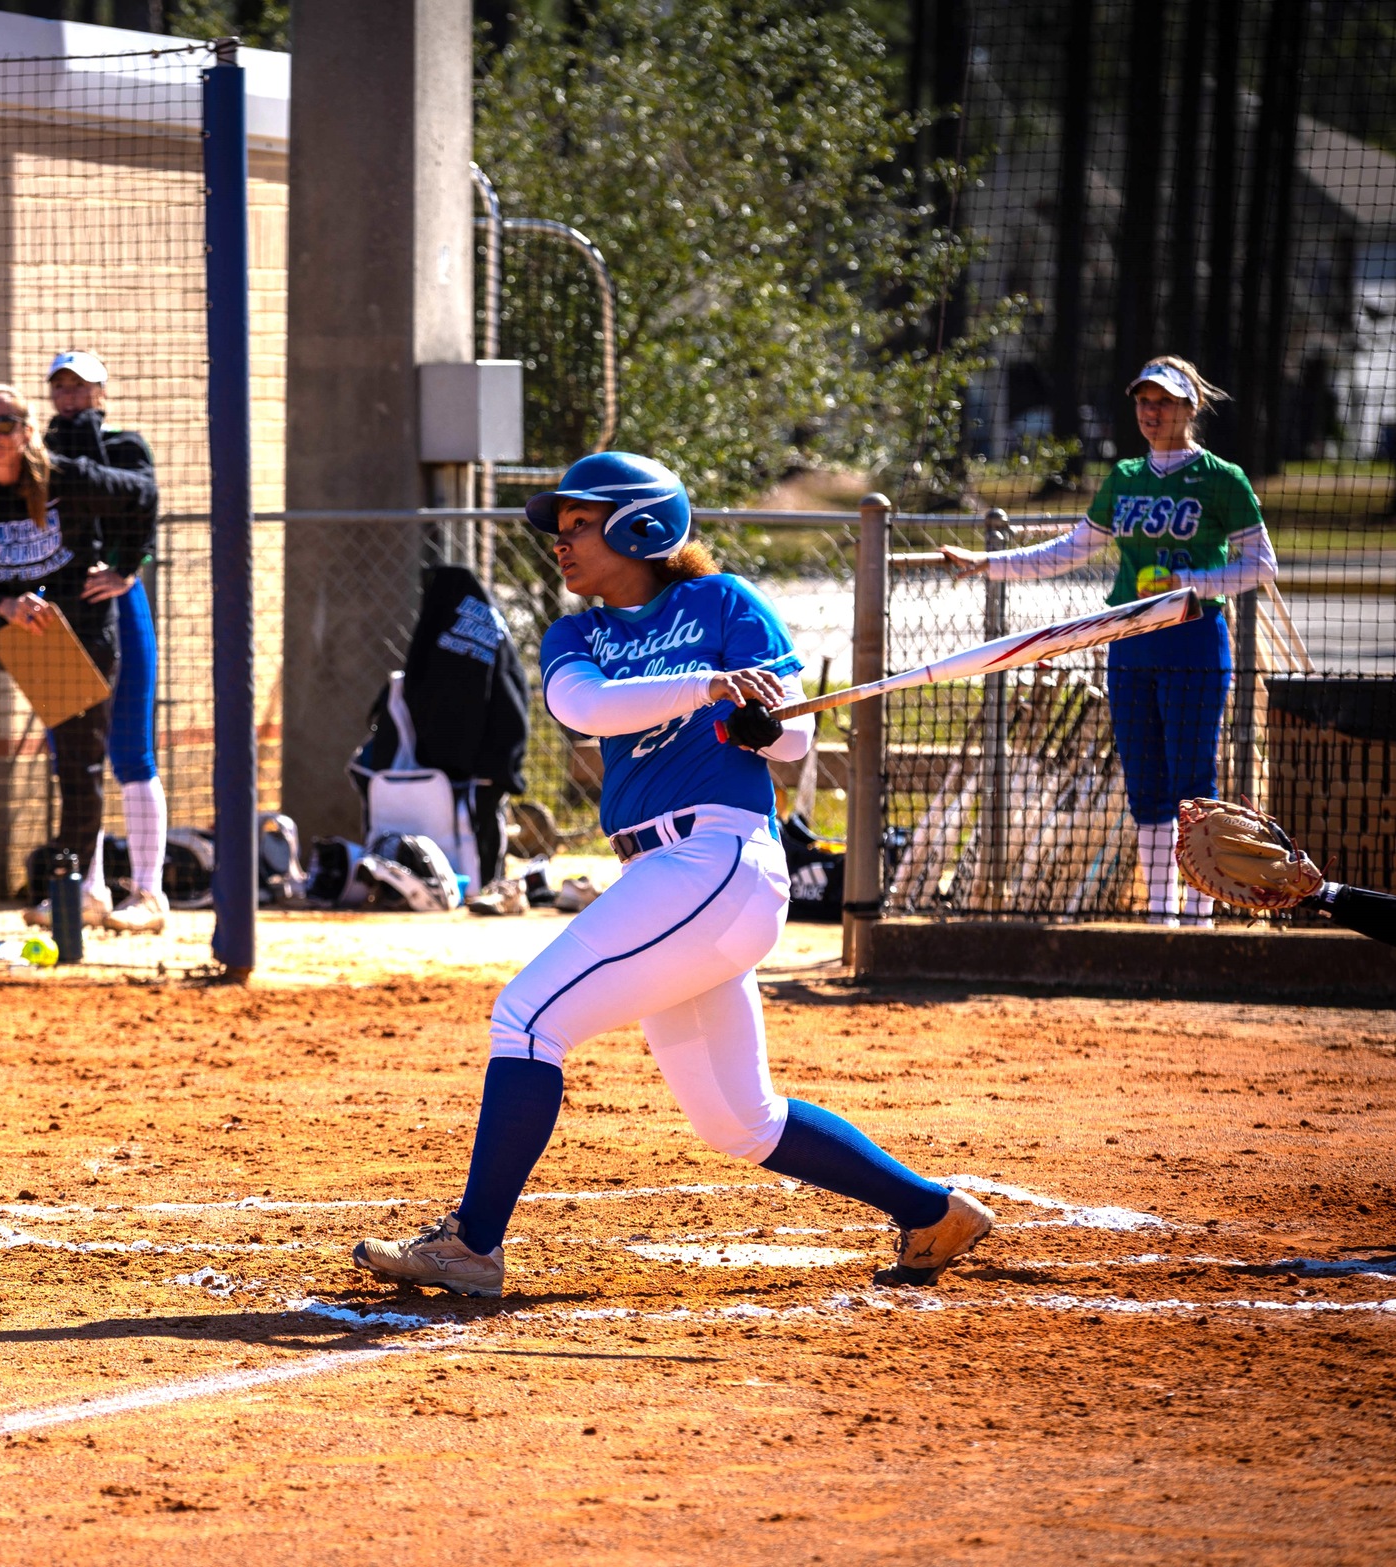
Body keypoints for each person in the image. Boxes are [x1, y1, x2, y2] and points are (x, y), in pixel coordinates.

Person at [354, 452, 994, 1299]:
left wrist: (759, 726)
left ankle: (472, 1243)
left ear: (639, 525)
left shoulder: (720, 602)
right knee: (739, 1119)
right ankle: (932, 1209)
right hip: (667, 880)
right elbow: (583, 709)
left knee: (526, 1016)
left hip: (717, 859)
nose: (561, 542)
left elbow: (796, 740)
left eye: (580, 524)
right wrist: (703, 687)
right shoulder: (576, 634)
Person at [943, 356, 1276, 925]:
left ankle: (1198, 914)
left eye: (1165, 401)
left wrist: (1191, 583)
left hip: (1193, 640)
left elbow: (1261, 565)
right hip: (1130, 642)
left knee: (1193, 782)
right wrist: (985, 563)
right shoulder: (1124, 478)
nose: (1151, 412)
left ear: (1190, 407)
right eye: (1144, 401)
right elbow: (1067, 552)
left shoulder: (1223, 479)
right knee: (1144, 778)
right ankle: (1159, 915)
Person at [0, 382, 156, 927]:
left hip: (68, 634)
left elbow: (142, 494)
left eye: (4, 425)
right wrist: (2, 603)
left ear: (27, 433)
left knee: (79, 767)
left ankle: (73, 891)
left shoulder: (67, 478)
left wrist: (127, 568)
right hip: (10, 623)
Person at [42, 349, 169, 934]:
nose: (71, 396)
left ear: (102, 392)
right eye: (61, 387)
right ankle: (83, 891)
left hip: (116, 604)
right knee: (73, 754)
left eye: (81, 386)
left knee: (130, 749)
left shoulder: (125, 446)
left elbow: (144, 507)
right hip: (58, 615)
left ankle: (148, 894)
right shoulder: (35, 454)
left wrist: (124, 567)